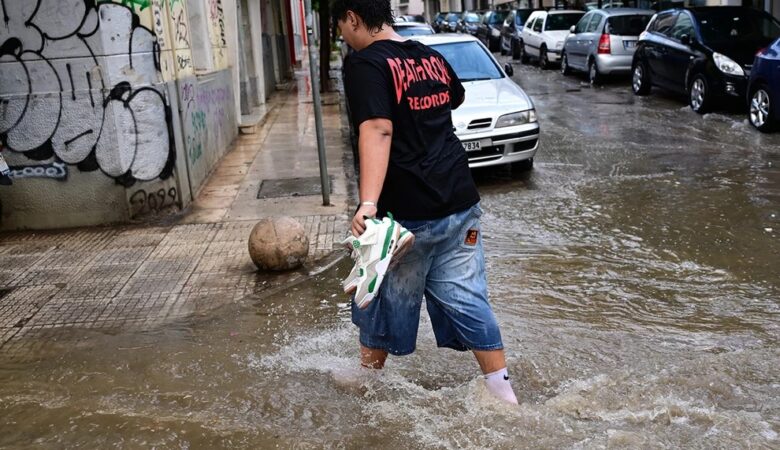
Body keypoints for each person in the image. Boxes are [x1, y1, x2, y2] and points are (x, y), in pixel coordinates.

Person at [334, 0, 518, 404]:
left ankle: (368, 385)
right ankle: (503, 395)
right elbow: (455, 98)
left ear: (352, 17)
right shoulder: (431, 56)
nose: (341, 36)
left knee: (378, 289)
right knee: (469, 298)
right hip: (459, 200)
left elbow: (379, 129)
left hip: (410, 211)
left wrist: (367, 204)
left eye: (341, 26)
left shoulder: (365, 65)